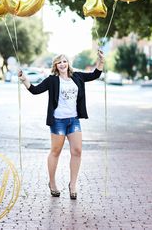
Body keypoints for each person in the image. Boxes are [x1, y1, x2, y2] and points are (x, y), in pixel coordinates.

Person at [18, 50, 104, 199]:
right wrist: (24, 79)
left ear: (68, 63)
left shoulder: (77, 77)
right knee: (55, 152)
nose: (62, 64)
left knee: (77, 151)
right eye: (59, 62)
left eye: (64, 61)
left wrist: (101, 60)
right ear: (56, 66)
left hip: (73, 120)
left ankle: (73, 185)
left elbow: (96, 74)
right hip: (58, 121)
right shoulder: (52, 80)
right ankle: (52, 183)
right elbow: (35, 90)